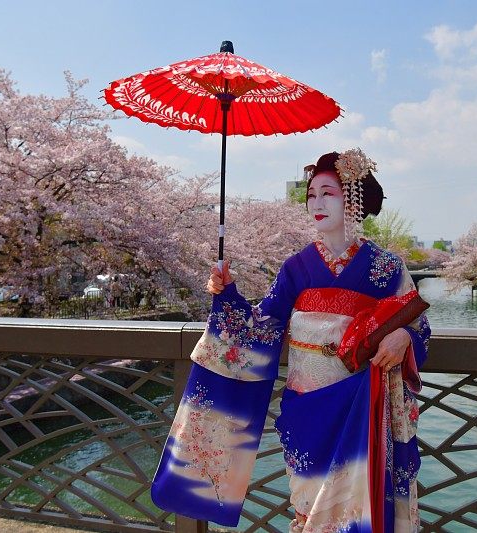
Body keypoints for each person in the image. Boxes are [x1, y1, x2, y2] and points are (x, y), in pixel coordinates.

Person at [150, 148, 431, 532]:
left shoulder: (386, 267)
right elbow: (261, 327)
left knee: (359, 512)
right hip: (306, 405)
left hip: (360, 405)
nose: (315, 202)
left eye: (327, 193)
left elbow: (419, 327)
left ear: (352, 199)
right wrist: (227, 294)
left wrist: (402, 335)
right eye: (311, 194)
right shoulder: (296, 267)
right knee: (308, 507)